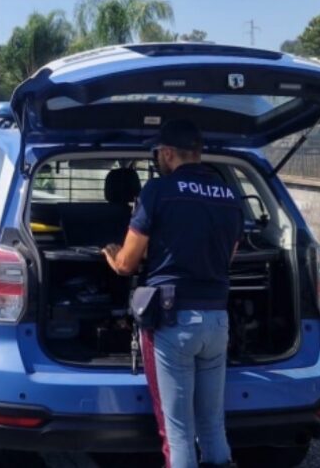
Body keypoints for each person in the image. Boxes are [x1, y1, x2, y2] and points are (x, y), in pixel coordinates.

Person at [102, 119, 242, 468]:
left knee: (176, 431)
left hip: (173, 322)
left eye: (157, 153)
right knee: (212, 425)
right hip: (217, 319)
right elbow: (230, 256)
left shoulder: (158, 191)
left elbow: (126, 265)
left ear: (167, 153)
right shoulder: (229, 194)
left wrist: (110, 253)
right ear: (198, 151)